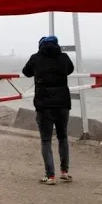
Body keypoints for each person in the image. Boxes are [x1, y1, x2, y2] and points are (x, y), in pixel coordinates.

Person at [22, 35, 75, 184]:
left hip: (43, 105)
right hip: (63, 104)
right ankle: (64, 171)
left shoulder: (36, 58)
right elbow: (70, 70)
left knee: (46, 140)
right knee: (62, 137)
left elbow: (26, 72)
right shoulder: (64, 57)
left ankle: (50, 175)